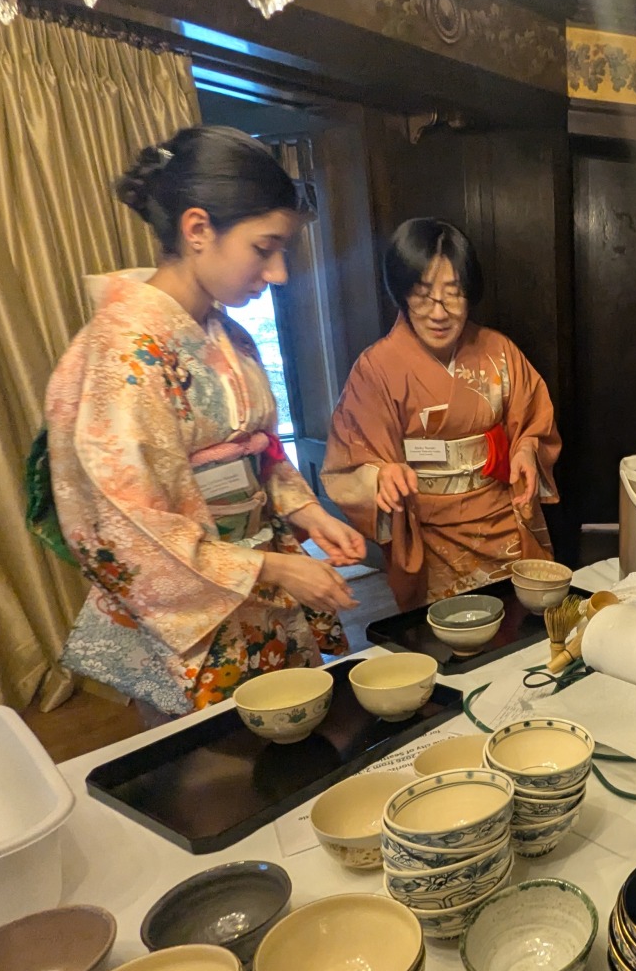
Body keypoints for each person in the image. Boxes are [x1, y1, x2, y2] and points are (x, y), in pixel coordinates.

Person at [44, 126, 365, 717]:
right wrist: (271, 566)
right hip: (196, 608)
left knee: (296, 728)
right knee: (220, 756)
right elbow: (124, 526)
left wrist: (308, 512)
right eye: (264, 248)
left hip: (260, 578)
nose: (278, 273)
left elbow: (261, 450)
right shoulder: (121, 355)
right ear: (197, 230)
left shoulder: (230, 336)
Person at [323, 219, 561, 609]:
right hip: (426, 532)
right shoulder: (376, 369)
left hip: (501, 520)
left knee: (515, 620)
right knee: (442, 631)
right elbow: (351, 459)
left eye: (453, 295)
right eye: (422, 295)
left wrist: (525, 450)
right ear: (401, 293)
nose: (439, 312)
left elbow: (533, 419)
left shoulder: (499, 351)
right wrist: (381, 475)